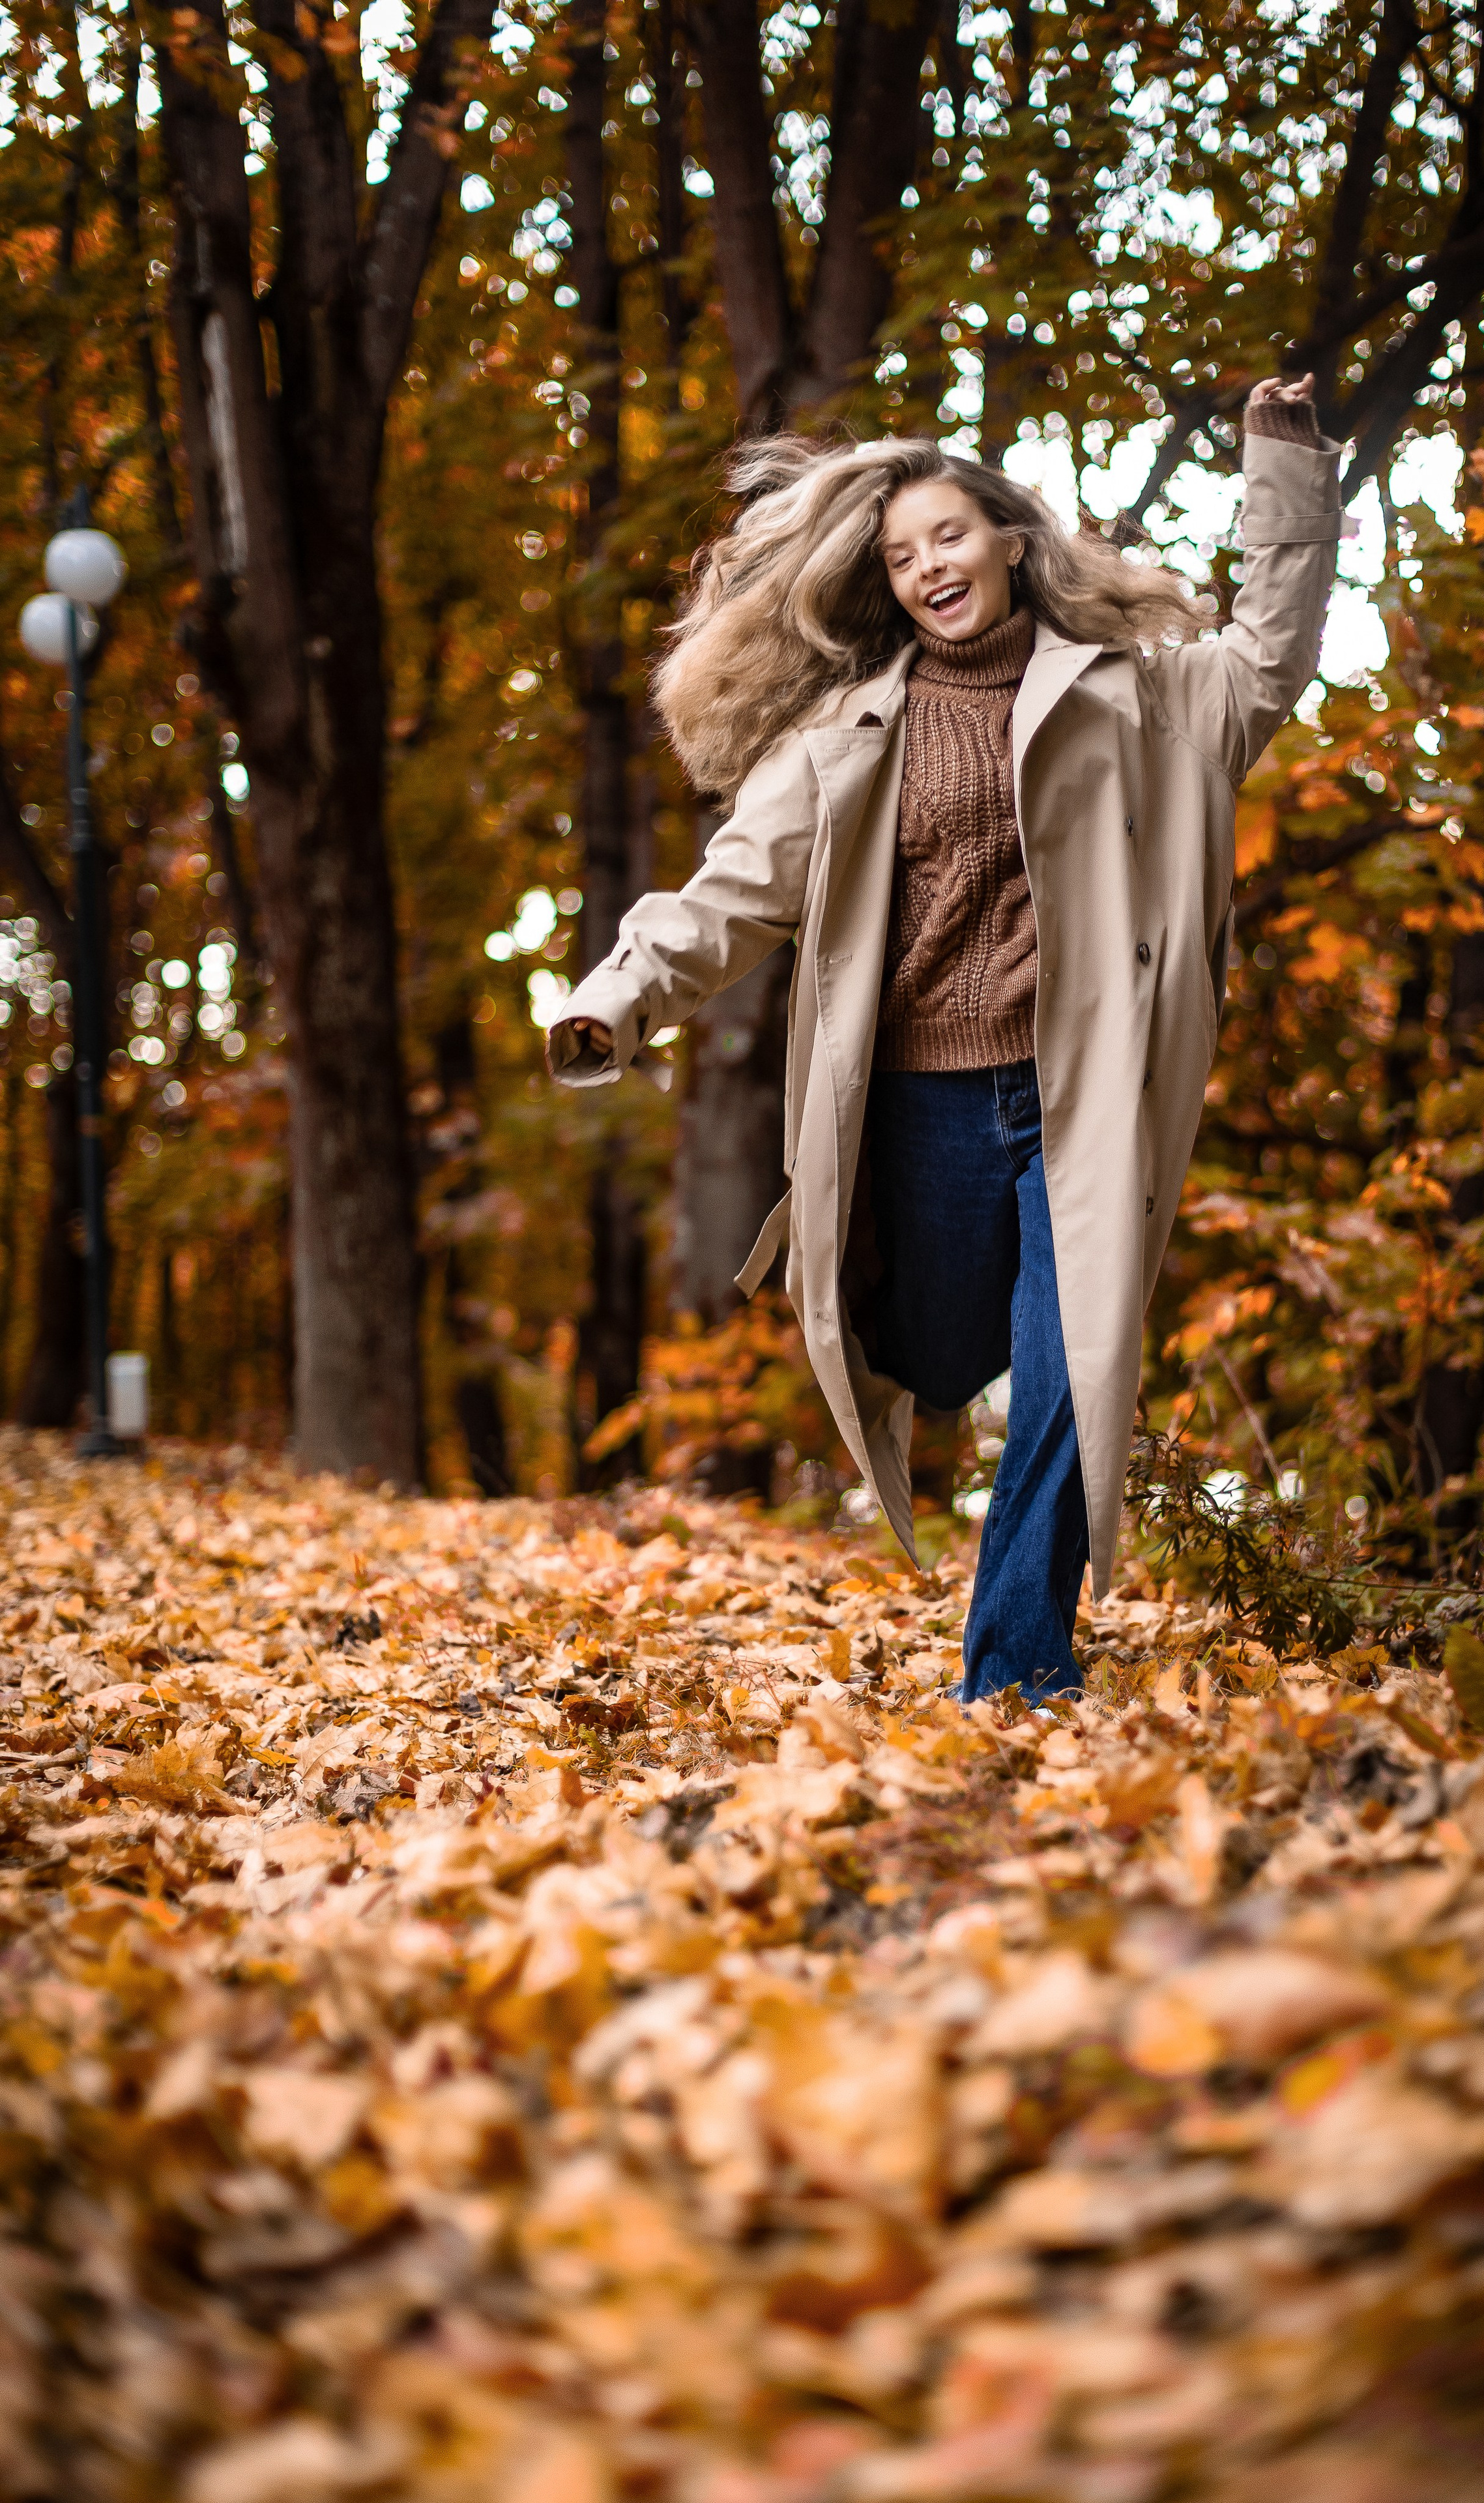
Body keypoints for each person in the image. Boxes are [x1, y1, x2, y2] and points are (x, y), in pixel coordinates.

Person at [549, 378, 1339, 1703]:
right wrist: (617, 994)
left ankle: (1016, 1674)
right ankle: (942, 1384)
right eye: (899, 556)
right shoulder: (844, 735)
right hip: (916, 1112)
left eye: (947, 539)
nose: (926, 570)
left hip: (1072, 1095)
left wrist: (1282, 462)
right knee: (928, 1348)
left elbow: (1268, 650)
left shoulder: (1135, 700)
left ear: (1009, 540)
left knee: (1067, 1369)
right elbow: (731, 893)